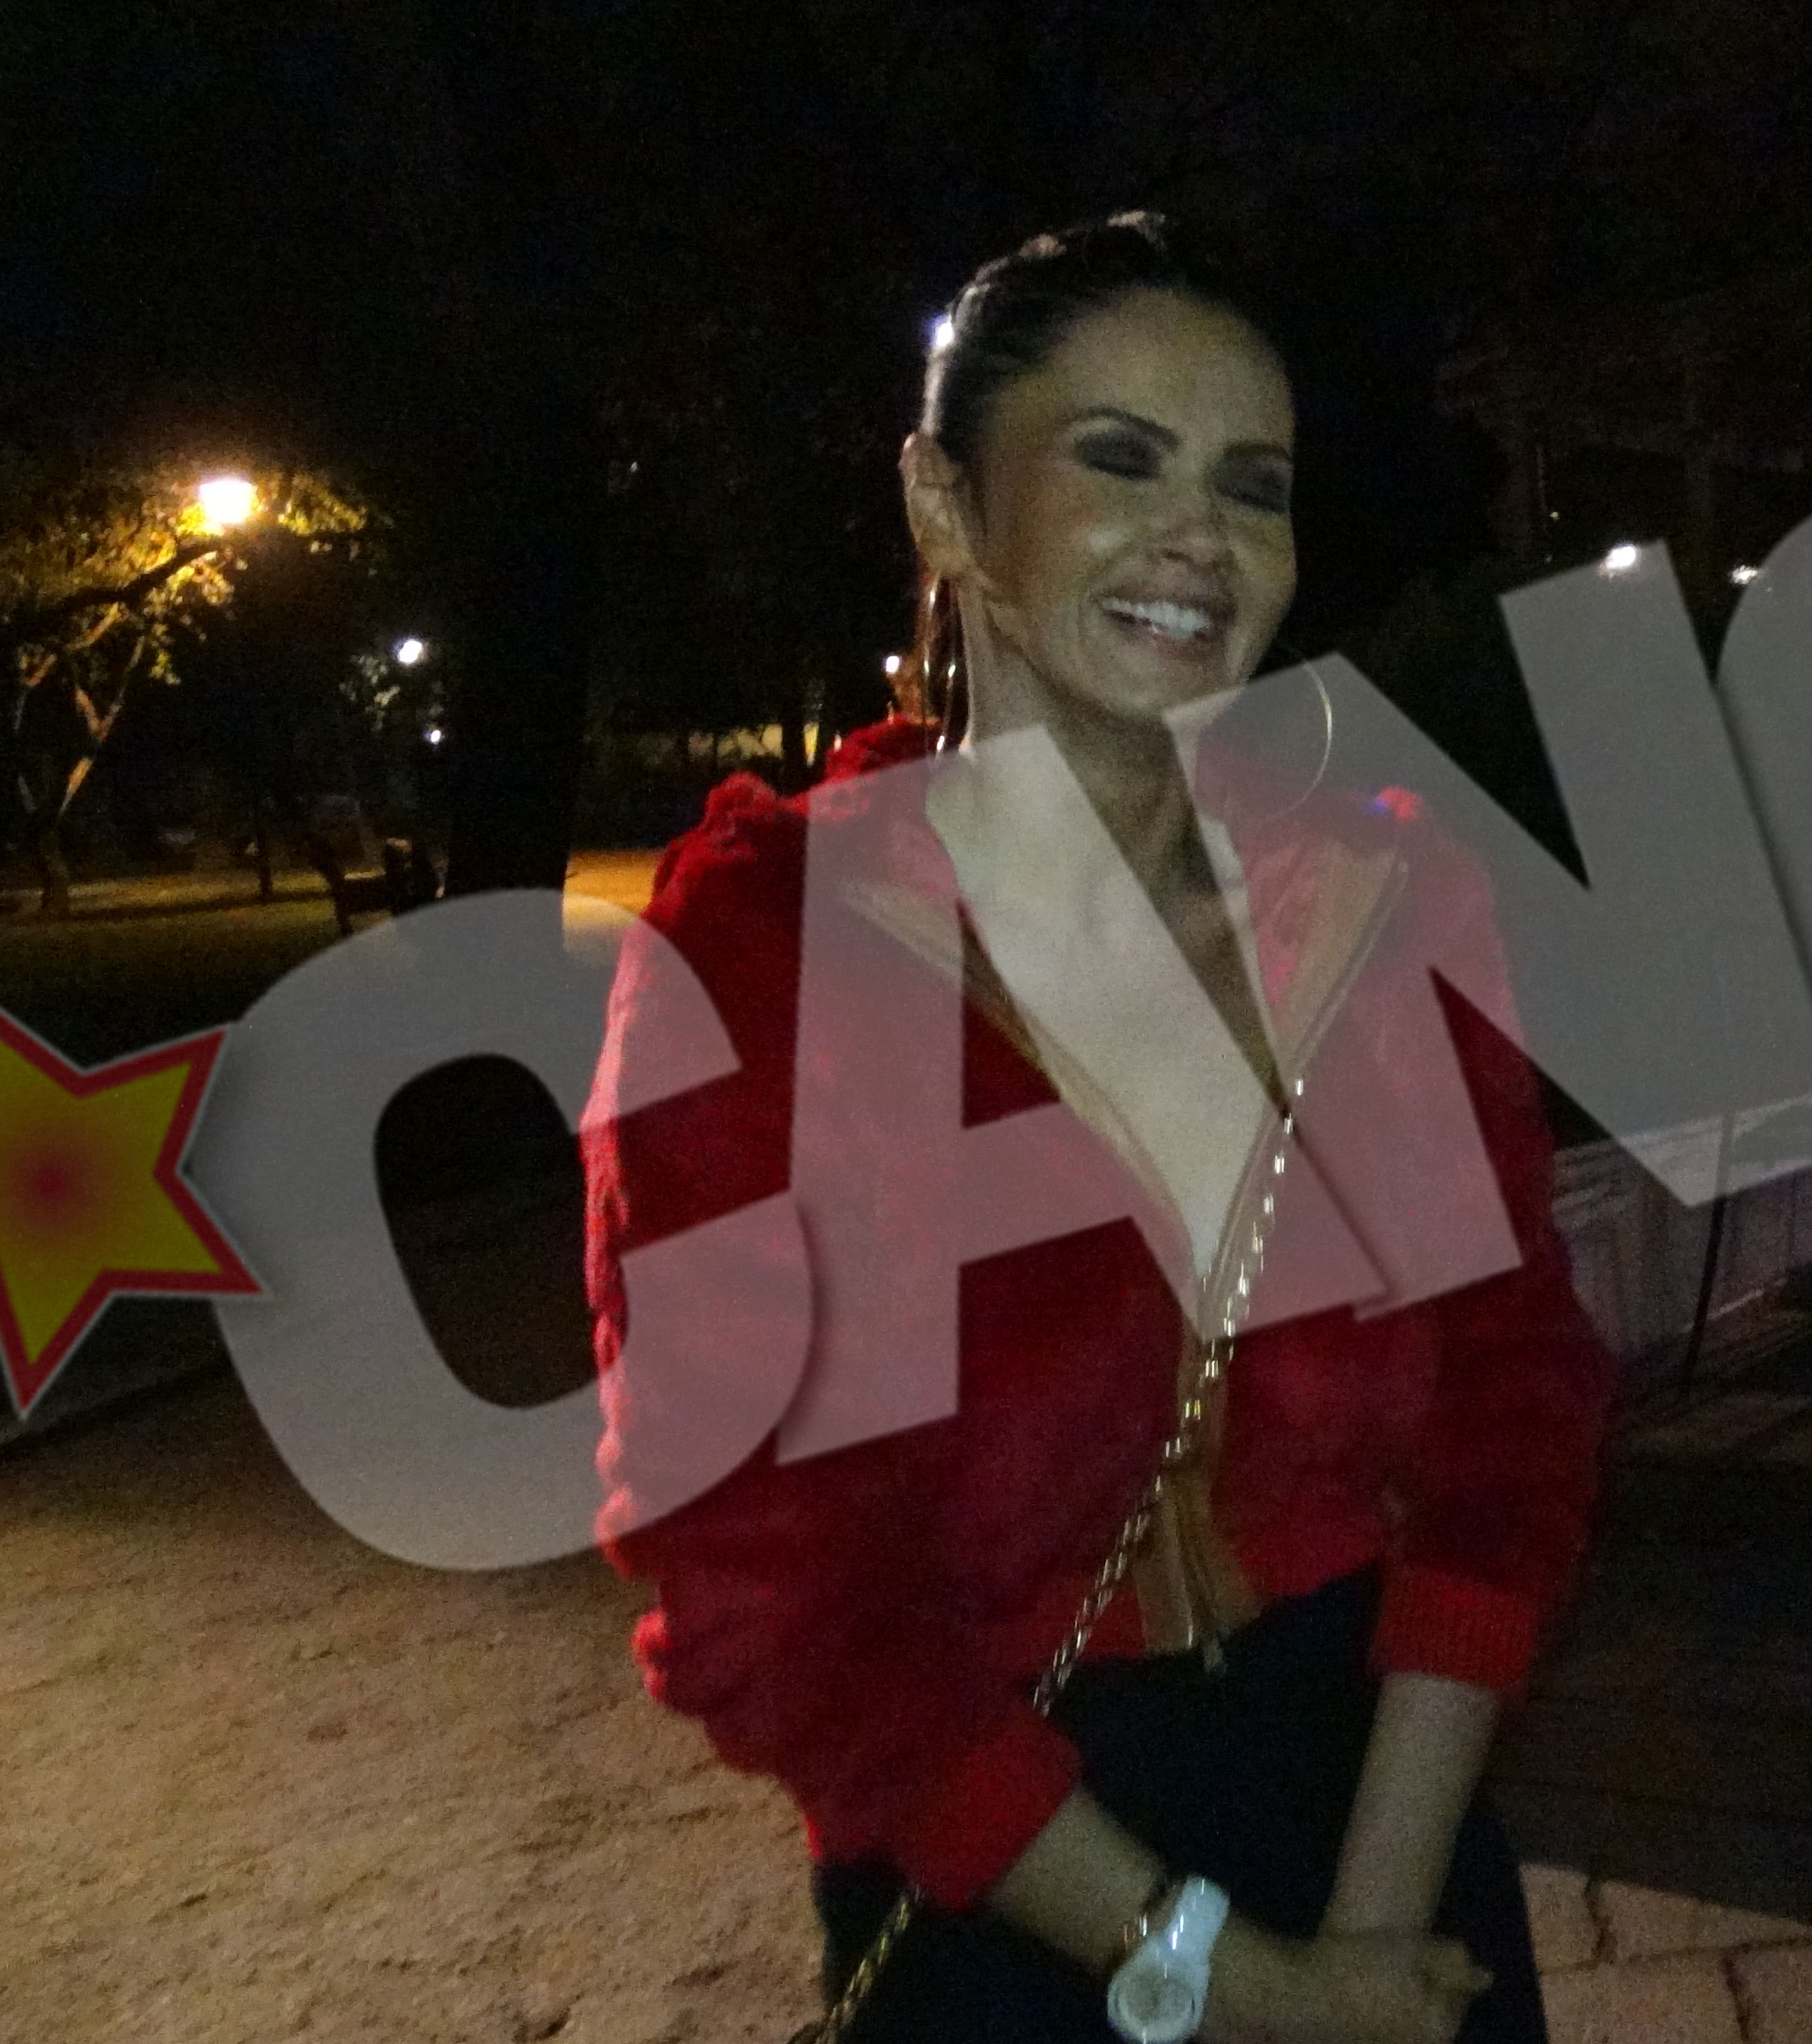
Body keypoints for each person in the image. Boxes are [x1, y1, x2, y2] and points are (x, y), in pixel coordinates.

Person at [584, 217, 1616, 2044]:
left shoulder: (1368, 906)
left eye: (1253, 483)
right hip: (1010, 1875)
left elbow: (1513, 1405)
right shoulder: (769, 960)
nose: (1198, 536)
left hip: (1379, 1797)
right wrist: (1241, 1986)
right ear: (945, 505)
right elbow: (768, 1582)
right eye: (1120, 459)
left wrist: (1369, 1928)